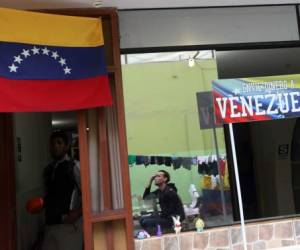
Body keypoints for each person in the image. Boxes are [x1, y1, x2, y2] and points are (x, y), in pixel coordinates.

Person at [41, 131, 82, 250]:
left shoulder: (74, 166)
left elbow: (87, 192)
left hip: (68, 225)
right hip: (50, 223)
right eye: (52, 143)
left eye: (59, 143)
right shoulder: (48, 170)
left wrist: (78, 213)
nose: (55, 146)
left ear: (67, 146)